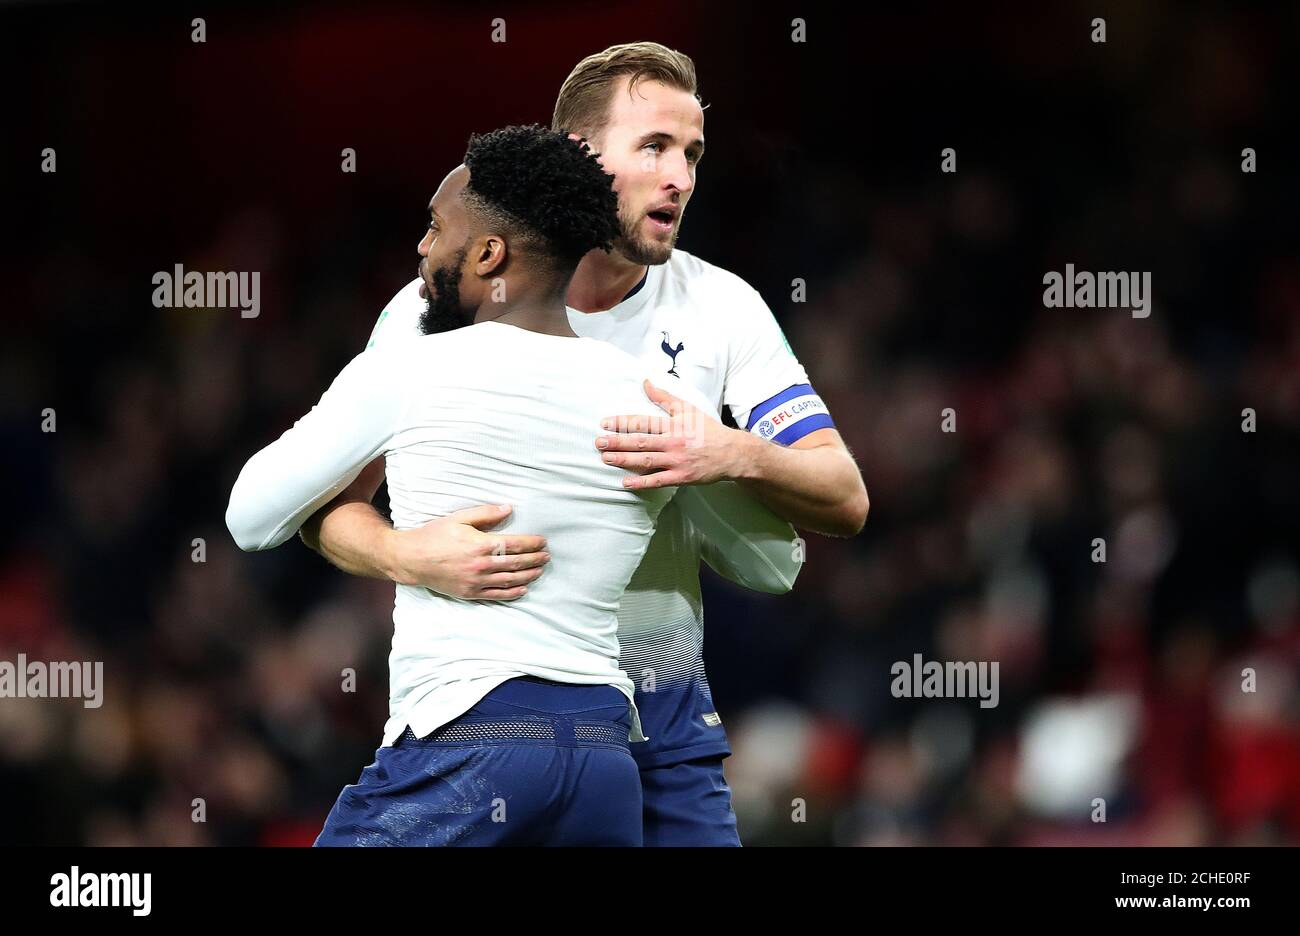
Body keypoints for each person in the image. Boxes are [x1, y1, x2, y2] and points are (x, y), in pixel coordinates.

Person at [301, 42, 869, 847]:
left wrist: (727, 452)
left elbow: (844, 494)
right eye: (654, 148)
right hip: (483, 724)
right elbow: (324, 505)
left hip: (662, 725)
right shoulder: (444, 302)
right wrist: (408, 555)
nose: (682, 176)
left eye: (693, 153)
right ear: (579, 155)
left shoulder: (721, 308)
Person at [227, 126, 759, 845]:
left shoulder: (409, 369)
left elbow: (250, 515)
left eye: (436, 227)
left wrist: (399, 552)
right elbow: (772, 561)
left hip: (468, 749)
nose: (421, 248)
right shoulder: (656, 401)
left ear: (488, 254)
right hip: (604, 768)